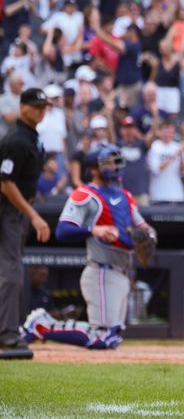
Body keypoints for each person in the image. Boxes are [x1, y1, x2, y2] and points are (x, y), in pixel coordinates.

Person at [21, 145, 156, 350]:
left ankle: (43, 324)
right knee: (101, 336)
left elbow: (142, 227)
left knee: (112, 338)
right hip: (101, 270)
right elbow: (63, 231)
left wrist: (147, 235)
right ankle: (42, 324)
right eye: (108, 162)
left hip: (123, 272)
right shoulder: (84, 194)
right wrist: (94, 229)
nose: (114, 166)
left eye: (116, 162)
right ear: (94, 168)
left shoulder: (126, 196)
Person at [0, 88, 51, 357]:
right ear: (22, 108)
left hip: (18, 210)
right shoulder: (16, 140)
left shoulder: (31, 138)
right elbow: (5, 183)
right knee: (11, 272)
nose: (41, 110)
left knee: (12, 270)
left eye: (44, 107)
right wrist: (32, 214)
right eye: (36, 106)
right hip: (8, 210)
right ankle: (7, 334)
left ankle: (9, 331)